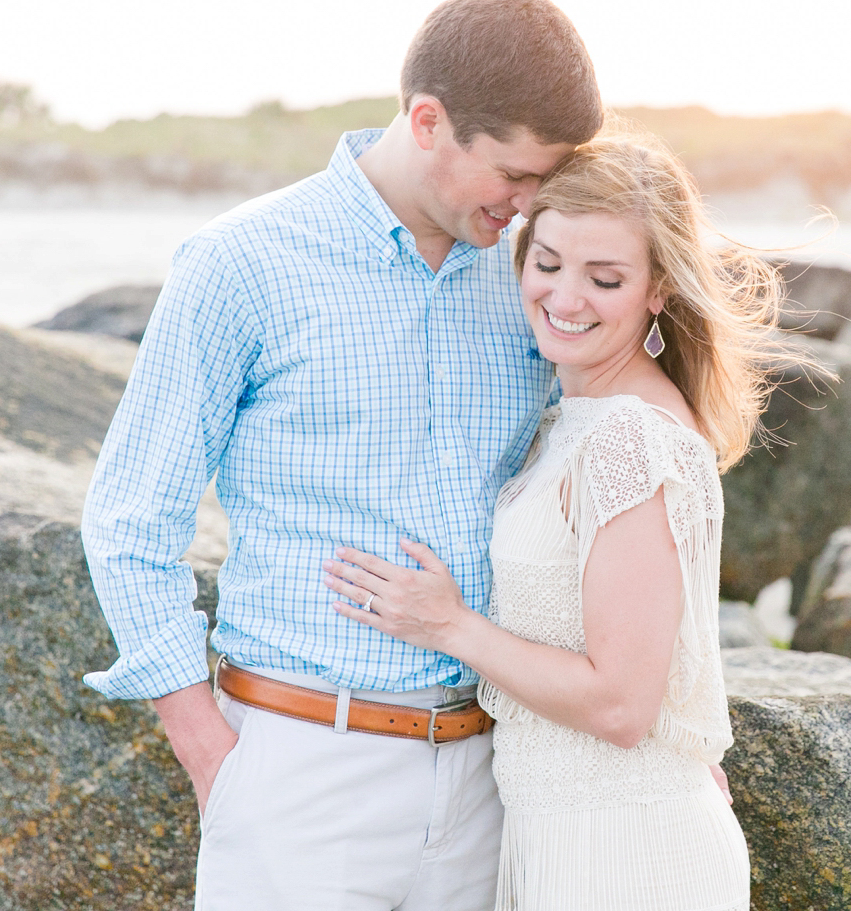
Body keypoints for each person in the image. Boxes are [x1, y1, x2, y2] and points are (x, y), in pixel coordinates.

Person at [80, 0, 603, 910]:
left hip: (493, 778)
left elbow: (611, 471)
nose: (528, 206)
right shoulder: (243, 263)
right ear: (429, 120)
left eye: (546, 181)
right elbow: (129, 522)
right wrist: (216, 761)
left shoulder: (534, 277)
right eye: (515, 176)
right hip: (300, 772)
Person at [322, 133, 788, 911]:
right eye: (547, 264)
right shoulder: (577, 415)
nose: (565, 299)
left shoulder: (628, 440)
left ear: (658, 290)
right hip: (569, 836)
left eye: (604, 278)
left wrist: (448, 625)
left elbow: (621, 705)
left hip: (625, 856)